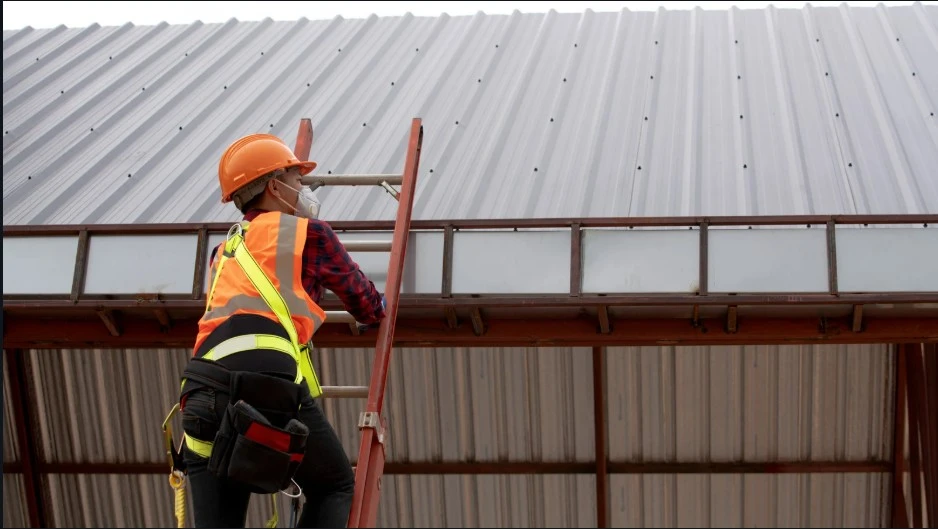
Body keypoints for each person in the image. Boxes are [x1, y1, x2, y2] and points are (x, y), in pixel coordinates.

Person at [177, 133, 386, 528]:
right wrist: (382, 307)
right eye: (296, 180)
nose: (302, 189)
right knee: (335, 487)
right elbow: (365, 304)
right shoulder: (308, 235)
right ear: (274, 186)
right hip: (263, 385)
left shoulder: (223, 253)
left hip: (201, 394)